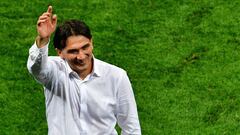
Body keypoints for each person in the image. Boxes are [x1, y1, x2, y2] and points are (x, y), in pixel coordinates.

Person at [27, 6, 141, 135]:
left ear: (91, 42)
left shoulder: (116, 76)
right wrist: (43, 40)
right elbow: (36, 68)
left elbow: (131, 128)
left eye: (85, 47)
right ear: (60, 52)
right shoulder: (53, 71)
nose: (81, 56)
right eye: (73, 51)